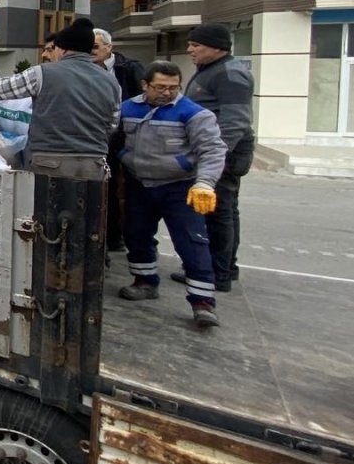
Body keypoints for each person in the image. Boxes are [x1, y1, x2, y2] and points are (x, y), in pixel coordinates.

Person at [116, 61, 226, 328]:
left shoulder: (194, 114)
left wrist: (204, 183)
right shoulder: (127, 109)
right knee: (136, 234)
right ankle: (144, 281)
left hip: (179, 187)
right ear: (145, 85)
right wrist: (122, 156)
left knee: (192, 242)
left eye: (173, 87)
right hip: (140, 184)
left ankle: (202, 302)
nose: (167, 93)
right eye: (160, 87)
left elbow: (212, 150)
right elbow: (111, 137)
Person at [0, 17, 120, 180]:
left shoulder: (43, 73)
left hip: (51, 161)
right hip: (94, 164)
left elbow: (1, 89)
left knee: (48, 197)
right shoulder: (112, 82)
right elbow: (112, 124)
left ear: (63, 49)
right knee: (89, 198)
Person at [169, 23, 254, 293]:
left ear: (217, 47)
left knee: (218, 213)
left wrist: (214, 158)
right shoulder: (212, 69)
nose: (190, 49)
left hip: (223, 155)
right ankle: (224, 267)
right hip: (215, 152)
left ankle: (218, 273)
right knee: (222, 211)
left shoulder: (230, 74)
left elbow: (235, 122)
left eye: (196, 45)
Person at [93, 28, 144, 254]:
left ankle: (129, 240)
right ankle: (111, 237)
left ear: (109, 47)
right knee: (107, 189)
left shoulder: (129, 69)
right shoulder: (88, 70)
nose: (91, 51)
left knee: (131, 192)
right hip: (102, 140)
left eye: (95, 47)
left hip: (128, 139)